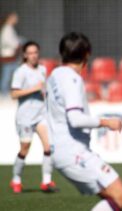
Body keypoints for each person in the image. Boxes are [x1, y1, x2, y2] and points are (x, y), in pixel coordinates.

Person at [46, 32, 122, 210]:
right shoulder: (72, 79)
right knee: (121, 196)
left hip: (60, 150)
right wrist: (107, 123)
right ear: (87, 54)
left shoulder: (54, 74)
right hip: (73, 152)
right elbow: (75, 119)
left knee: (111, 197)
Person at [9, 41, 57, 193]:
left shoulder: (42, 69)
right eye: (30, 53)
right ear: (25, 55)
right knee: (25, 149)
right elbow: (14, 94)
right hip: (25, 117)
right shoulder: (20, 72)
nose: (33, 55)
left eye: (35, 52)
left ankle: (47, 181)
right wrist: (33, 89)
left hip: (41, 115)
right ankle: (16, 179)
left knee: (49, 146)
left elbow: (44, 89)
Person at [0, 12, 21, 96]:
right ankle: (4, 91)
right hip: (8, 56)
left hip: (11, 56)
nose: (16, 20)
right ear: (10, 18)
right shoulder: (7, 28)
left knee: (12, 73)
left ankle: (7, 90)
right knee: (7, 74)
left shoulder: (9, 28)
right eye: (14, 18)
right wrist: (17, 44)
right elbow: (8, 40)